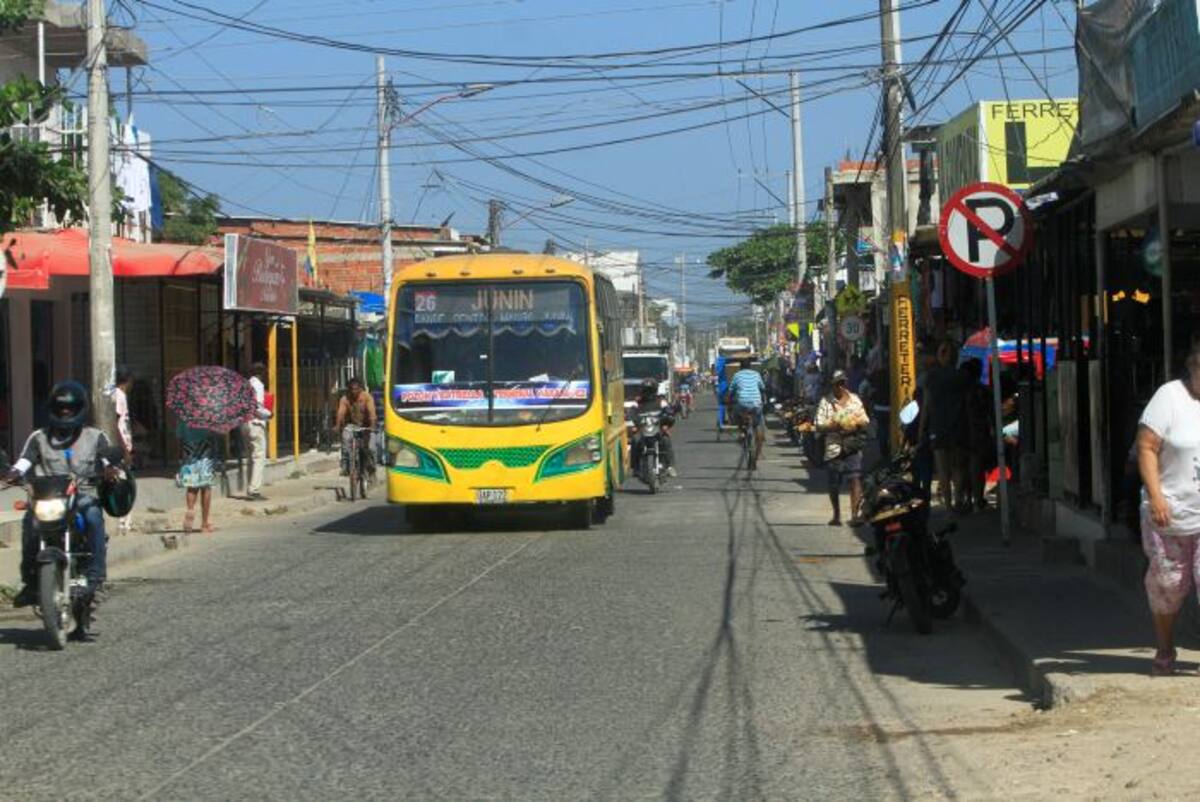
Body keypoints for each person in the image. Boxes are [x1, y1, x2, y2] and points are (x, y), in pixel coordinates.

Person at [8, 381, 118, 607]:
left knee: (94, 517)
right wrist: (13, 473)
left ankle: (96, 576)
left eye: (70, 408)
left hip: (83, 496)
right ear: (52, 408)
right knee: (30, 523)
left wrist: (109, 469)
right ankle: (30, 582)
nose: (65, 412)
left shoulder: (95, 436)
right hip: (48, 498)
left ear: (80, 409)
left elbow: (107, 457)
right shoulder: (39, 437)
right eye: (61, 408)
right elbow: (25, 460)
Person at [1136, 343, 1200, 676]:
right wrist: (1156, 496)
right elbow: (1146, 445)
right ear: (1193, 367)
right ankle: (1164, 647)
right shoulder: (1169, 397)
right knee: (1169, 585)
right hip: (1170, 512)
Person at [816, 370, 870, 526]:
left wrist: (855, 423)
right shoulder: (825, 402)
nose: (841, 386)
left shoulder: (855, 400)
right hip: (834, 446)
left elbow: (865, 420)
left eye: (843, 383)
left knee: (855, 478)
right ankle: (837, 514)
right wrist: (834, 426)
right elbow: (819, 425)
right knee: (834, 482)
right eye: (838, 383)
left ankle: (855, 514)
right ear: (832, 385)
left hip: (852, 444)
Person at [919, 340, 969, 512]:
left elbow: (926, 405)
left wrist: (921, 430)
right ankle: (958, 502)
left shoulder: (931, 377)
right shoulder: (961, 376)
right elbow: (967, 402)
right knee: (958, 468)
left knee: (943, 471)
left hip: (938, 428)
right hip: (958, 426)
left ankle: (948, 507)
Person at [960, 358, 993, 511]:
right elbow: (991, 412)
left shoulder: (960, 392)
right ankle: (978, 499)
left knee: (965, 467)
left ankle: (967, 499)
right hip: (979, 431)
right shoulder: (983, 390)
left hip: (963, 431)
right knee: (977, 467)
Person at [178, 422, 219, 534]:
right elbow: (214, 437)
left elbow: (179, 437)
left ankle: (190, 509)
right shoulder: (208, 419)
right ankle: (204, 523)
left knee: (192, 488)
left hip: (189, 458)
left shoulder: (184, 419)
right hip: (205, 458)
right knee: (206, 488)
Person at [630, 377, 676, 476]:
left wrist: (667, 422)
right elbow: (631, 413)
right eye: (646, 390)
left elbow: (669, 411)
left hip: (657, 429)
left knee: (666, 440)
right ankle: (635, 467)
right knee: (635, 440)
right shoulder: (637, 403)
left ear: (655, 390)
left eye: (650, 390)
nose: (648, 393)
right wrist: (634, 422)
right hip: (643, 430)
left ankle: (670, 466)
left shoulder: (661, 401)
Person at [108, 367, 135, 533]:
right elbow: (116, 421)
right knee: (124, 483)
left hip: (123, 443)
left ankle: (124, 520)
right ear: (128, 380)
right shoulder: (120, 395)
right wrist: (124, 448)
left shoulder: (113, 393)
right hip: (121, 444)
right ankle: (124, 521)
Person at [726, 360, 767, 466]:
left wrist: (729, 401)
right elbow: (762, 388)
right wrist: (762, 399)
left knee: (735, 413)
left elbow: (731, 391)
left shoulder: (737, 375)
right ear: (750, 367)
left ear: (740, 367)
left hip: (742, 404)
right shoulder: (756, 374)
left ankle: (742, 431)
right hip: (756, 404)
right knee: (759, 421)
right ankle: (759, 434)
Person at [336, 377, 378, 477]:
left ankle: (372, 468)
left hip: (366, 425)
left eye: (356, 389)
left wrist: (372, 427)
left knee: (370, 448)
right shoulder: (345, 398)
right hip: (352, 425)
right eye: (351, 389)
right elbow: (340, 413)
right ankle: (346, 466)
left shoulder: (367, 397)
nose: (353, 391)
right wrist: (337, 425)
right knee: (346, 441)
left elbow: (372, 412)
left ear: (360, 388)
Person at [242, 362, 271, 500]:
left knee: (250, 458)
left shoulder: (245, 384)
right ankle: (254, 490)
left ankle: (250, 487)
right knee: (259, 457)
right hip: (256, 423)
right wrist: (268, 414)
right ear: (262, 372)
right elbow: (257, 407)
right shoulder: (258, 385)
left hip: (244, 424)